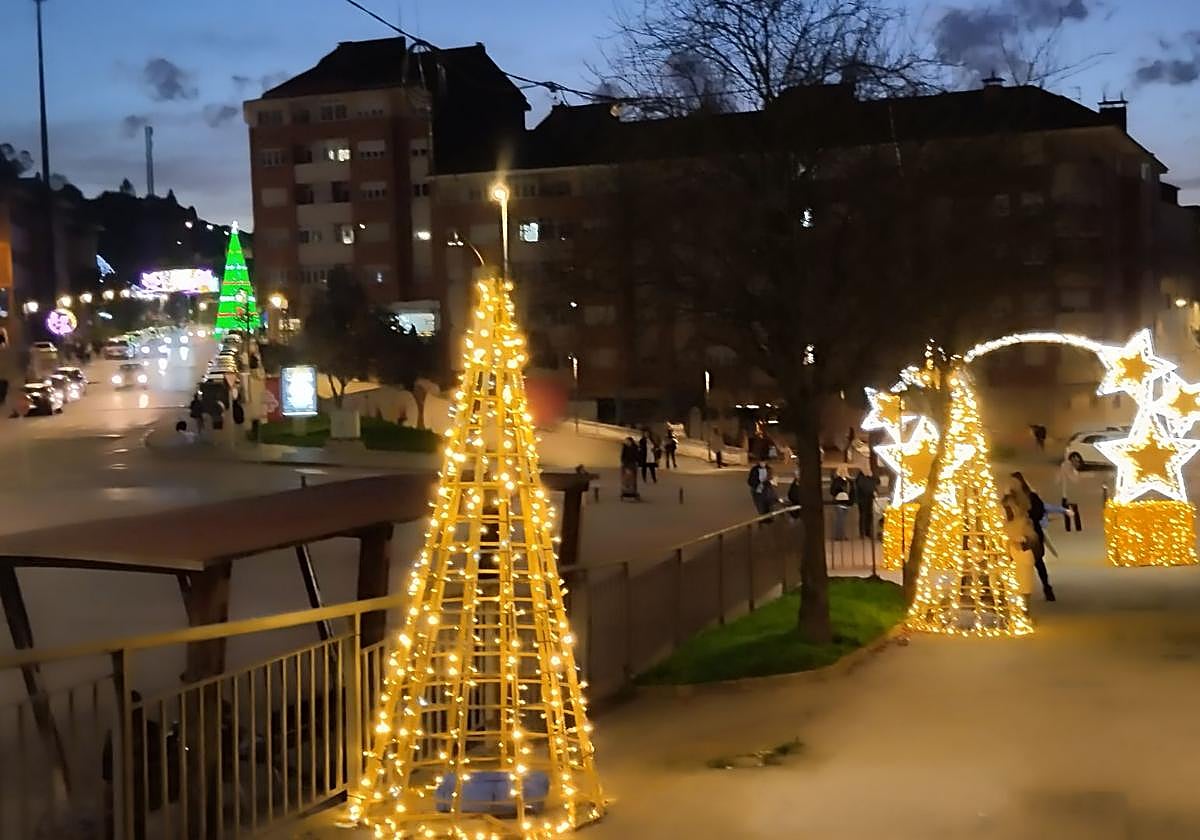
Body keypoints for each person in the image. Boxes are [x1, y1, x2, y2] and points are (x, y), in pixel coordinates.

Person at [1011, 471, 1056, 601]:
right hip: (1024, 533)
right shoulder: (1015, 500)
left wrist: (1028, 518)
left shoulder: (1030, 498)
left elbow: (1039, 512)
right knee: (1034, 563)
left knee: (1036, 562)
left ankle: (1044, 588)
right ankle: (1042, 589)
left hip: (1031, 533)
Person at [830, 465, 854, 540]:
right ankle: (839, 536)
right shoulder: (837, 480)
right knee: (840, 520)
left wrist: (851, 501)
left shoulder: (849, 481)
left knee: (843, 520)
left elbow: (852, 491)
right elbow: (832, 491)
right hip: (839, 502)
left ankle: (842, 534)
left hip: (847, 502)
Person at [854, 468, 879, 538]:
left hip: (869, 499)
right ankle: (862, 533)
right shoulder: (860, 478)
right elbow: (865, 488)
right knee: (863, 515)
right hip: (862, 500)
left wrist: (872, 476)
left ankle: (868, 531)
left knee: (869, 515)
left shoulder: (870, 478)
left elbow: (877, 482)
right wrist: (872, 491)